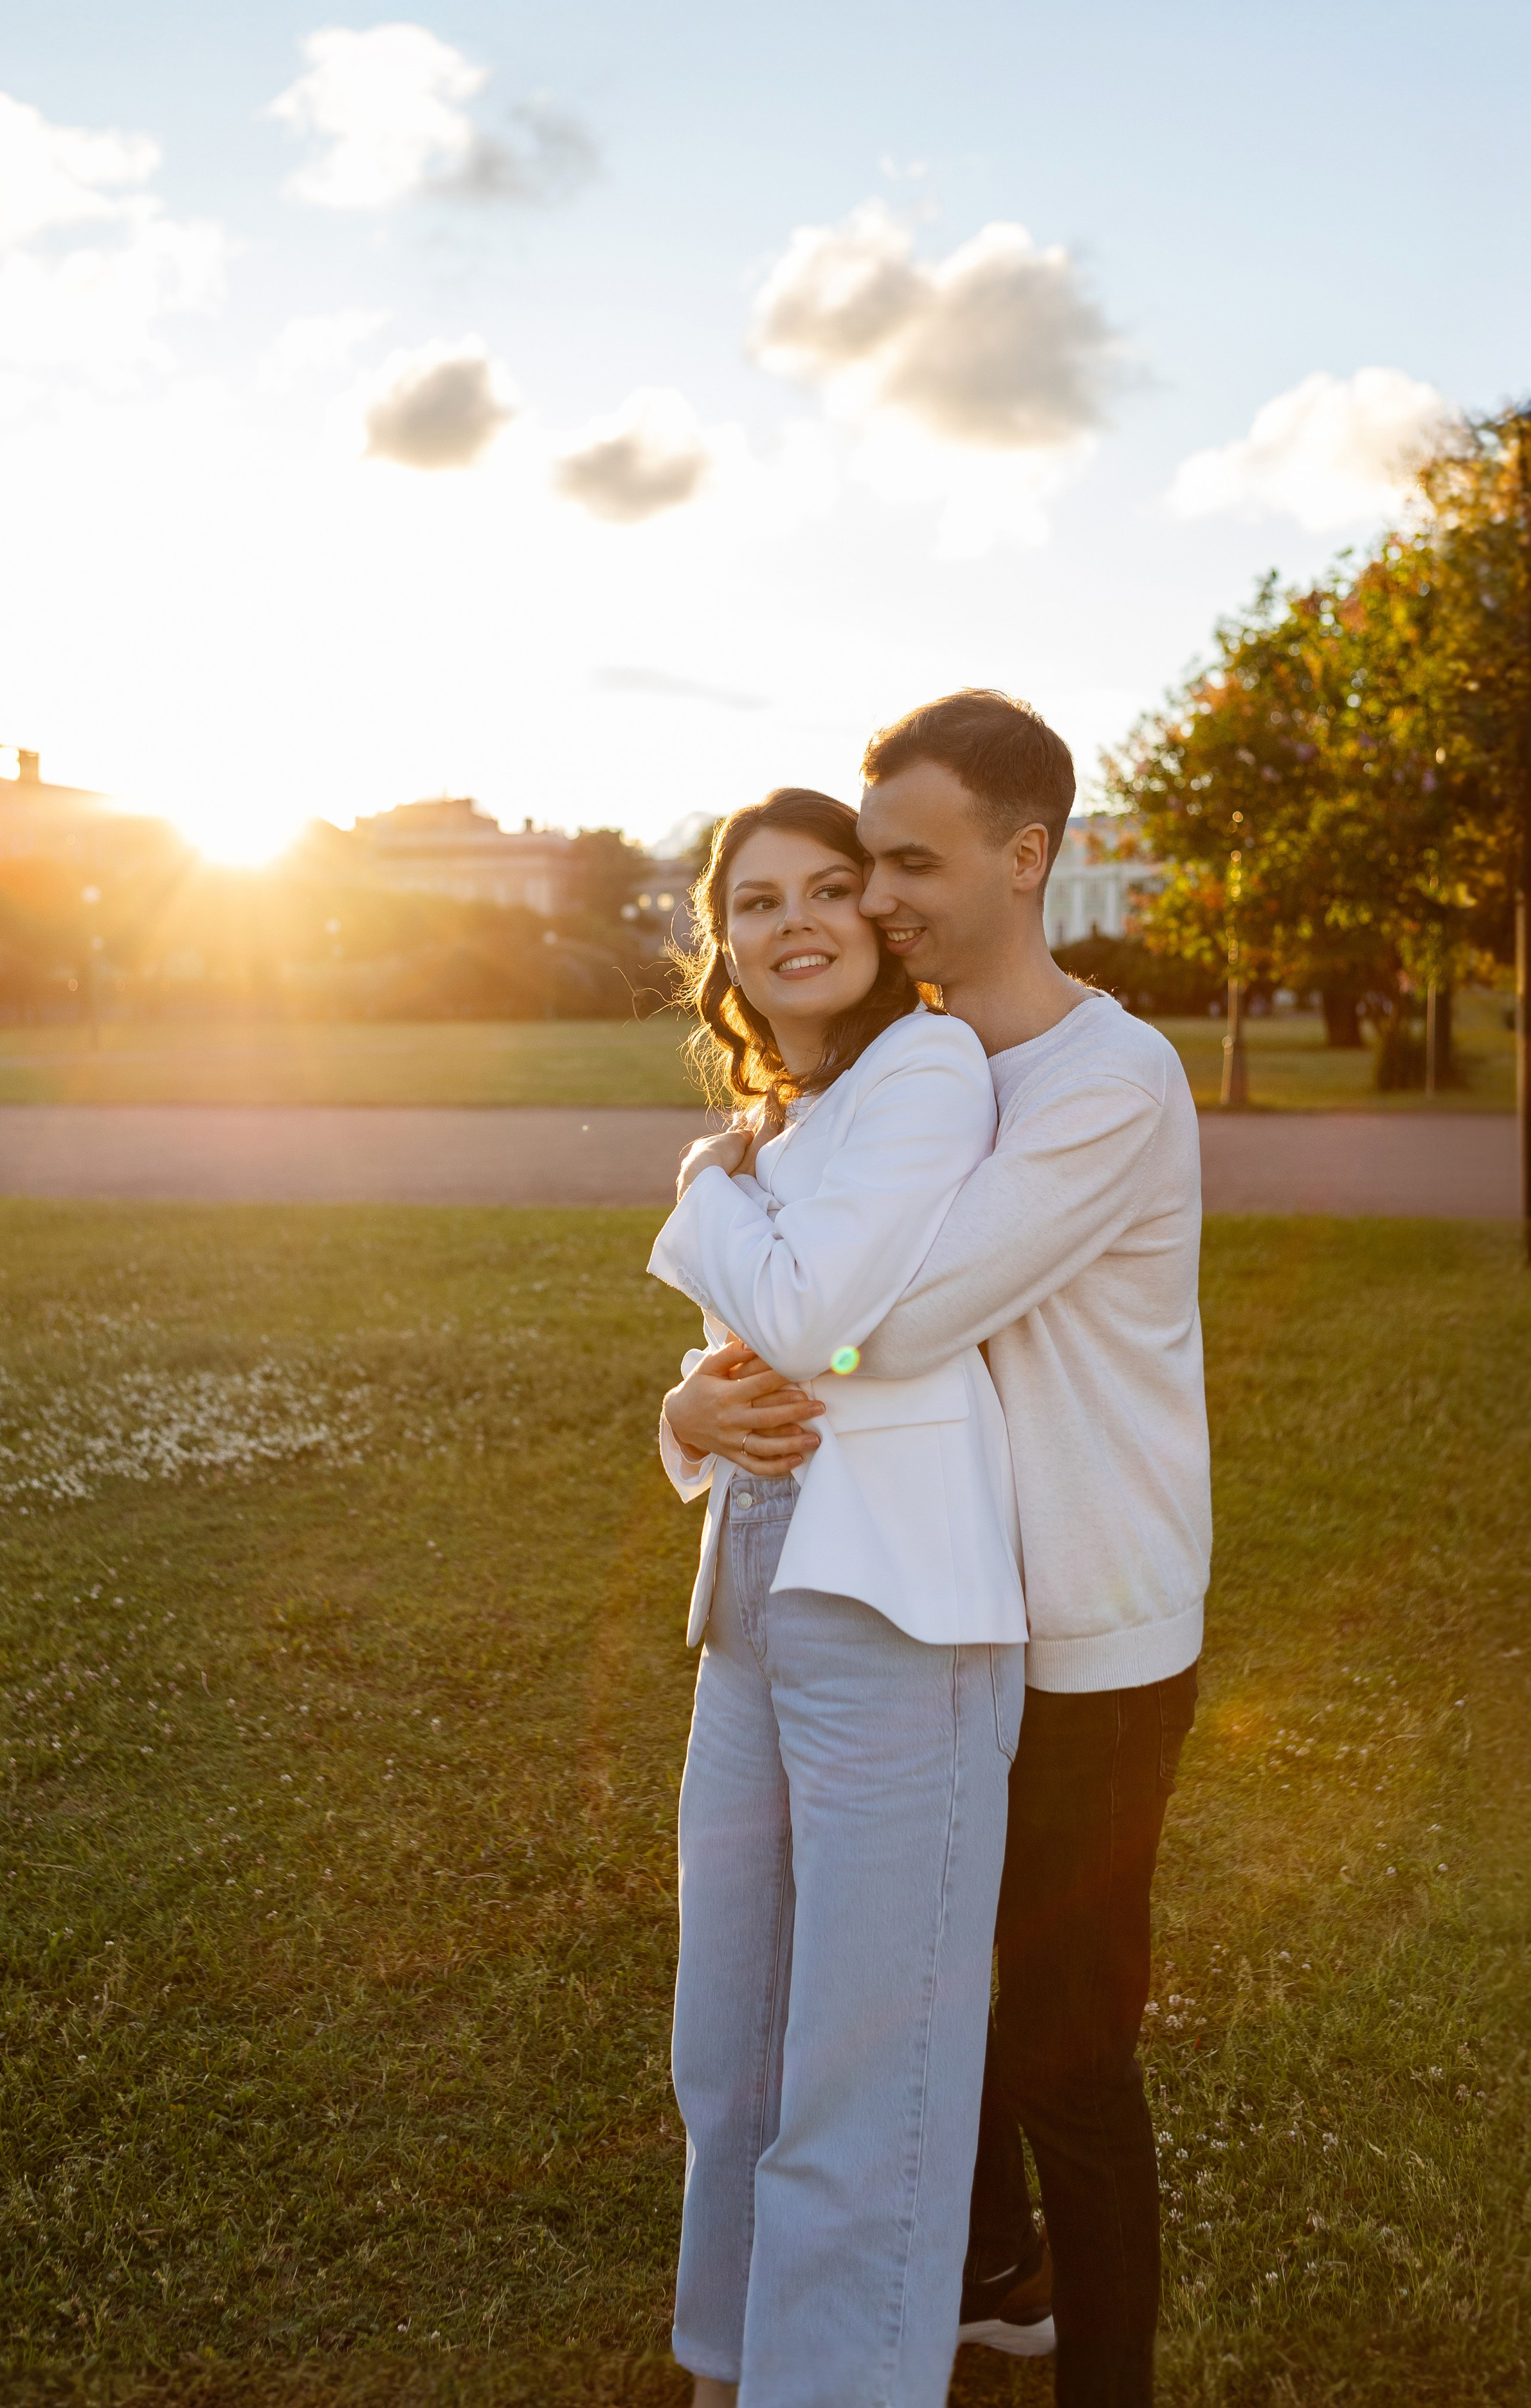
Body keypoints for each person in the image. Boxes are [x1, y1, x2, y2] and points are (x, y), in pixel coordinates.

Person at [664, 692, 1210, 2408]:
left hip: (1093, 1616)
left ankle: (1096, 2370)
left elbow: (875, 1331)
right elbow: (804, 1325)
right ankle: (987, 2280)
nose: (877, 896)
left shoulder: (1102, 1078)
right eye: (857, 864)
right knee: (911, 1989)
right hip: (945, 1592)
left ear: (1024, 858)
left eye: (906, 862)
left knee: (1062, 2041)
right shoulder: (908, 1065)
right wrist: (693, 1398)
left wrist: (708, 1210)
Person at [649, 786, 1028, 2408]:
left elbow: (809, 1319)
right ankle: (732, 2360)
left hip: (895, 1610)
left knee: (865, 2064)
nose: (793, 920)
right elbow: (737, 1366)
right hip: (748, 1593)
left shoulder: (923, 1070)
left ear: (875, 918)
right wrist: (679, 1414)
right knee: (726, 2042)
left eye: (825, 888)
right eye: (754, 901)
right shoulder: (779, 1129)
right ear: (720, 945)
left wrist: (698, 1191)